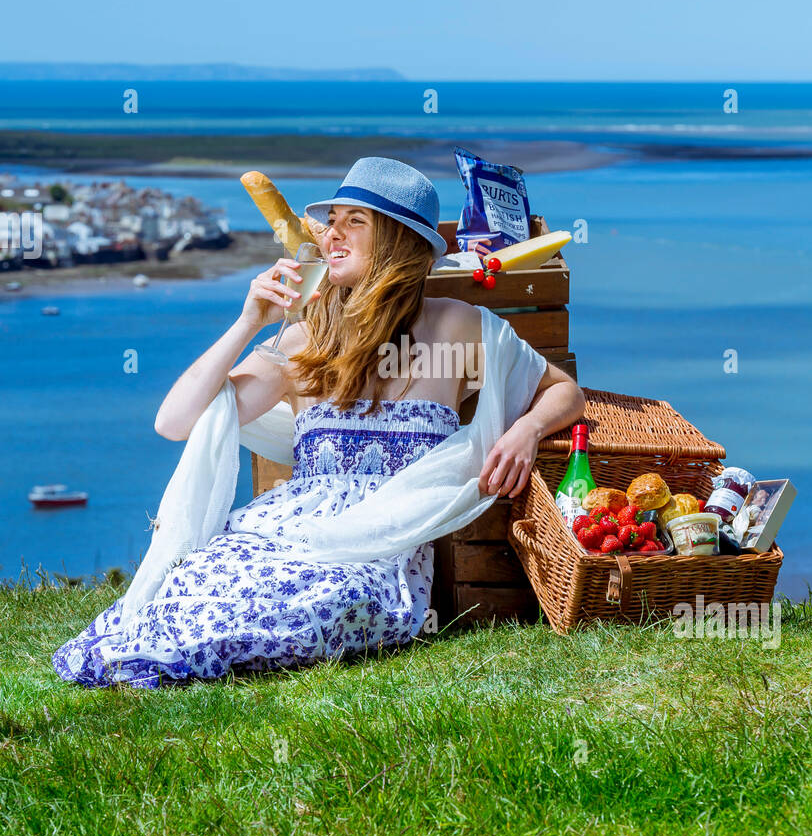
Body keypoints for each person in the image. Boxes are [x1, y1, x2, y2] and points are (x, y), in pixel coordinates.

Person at [52, 158, 584, 688]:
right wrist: (248, 322)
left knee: (327, 604)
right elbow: (175, 421)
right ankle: (158, 651)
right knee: (198, 584)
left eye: (355, 222)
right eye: (332, 220)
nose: (332, 234)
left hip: (378, 544)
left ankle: (179, 654)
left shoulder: (457, 326)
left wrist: (525, 429)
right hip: (285, 527)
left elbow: (563, 391)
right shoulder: (305, 341)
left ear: (398, 241)